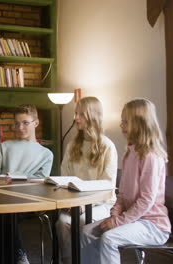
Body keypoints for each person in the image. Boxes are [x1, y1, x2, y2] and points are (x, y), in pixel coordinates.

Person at [81, 98, 170, 264]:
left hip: (153, 225)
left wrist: (118, 222)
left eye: (125, 122)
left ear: (140, 124)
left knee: (109, 238)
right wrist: (114, 215)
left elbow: (146, 200)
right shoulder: (129, 154)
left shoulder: (151, 157)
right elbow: (121, 195)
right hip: (131, 218)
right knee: (87, 232)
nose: (121, 126)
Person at [0, 104, 54, 264]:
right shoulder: (5, 147)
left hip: (29, 199)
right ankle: (17, 257)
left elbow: (41, 181)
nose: (20, 127)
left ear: (35, 123)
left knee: (3, 211)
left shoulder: (46, 154)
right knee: (2, 209)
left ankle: (13, 256)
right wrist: (2, 178)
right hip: (3, 198)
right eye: (17, 123)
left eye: (25, 123)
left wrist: (14, 177)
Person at [56, 97, 118, 264]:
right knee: (62, 223)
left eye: (81, 114)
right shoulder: (72, 145)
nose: (76, 118)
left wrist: (85, 205)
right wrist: (70, 202)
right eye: (76, 113)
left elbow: (108, 187)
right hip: (74, 204)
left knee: (83, 221)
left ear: (93, 116)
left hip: (101, 205)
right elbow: (64, 178)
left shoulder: (108, 146)